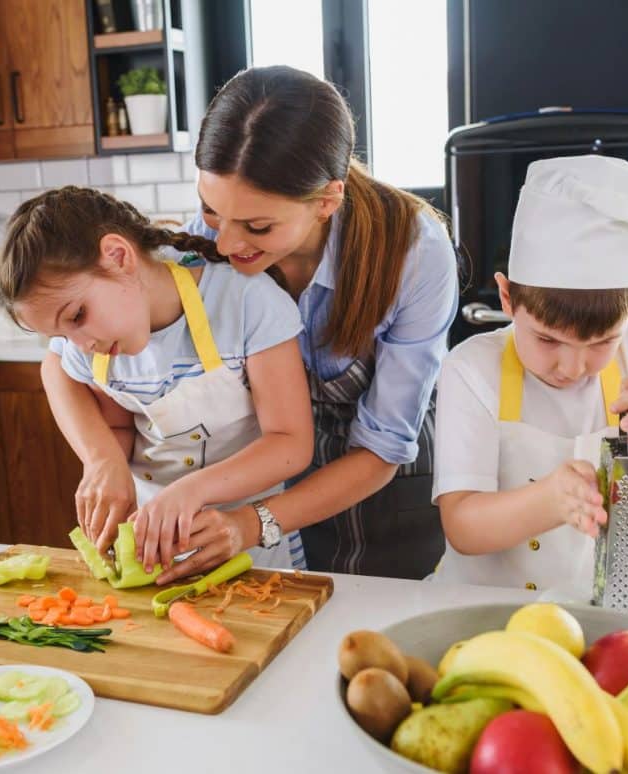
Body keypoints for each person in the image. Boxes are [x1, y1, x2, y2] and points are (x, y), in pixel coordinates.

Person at [115, 65, 460, 583]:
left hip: (387, 491)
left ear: (327, 200)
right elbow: (68, 355)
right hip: (268, 480)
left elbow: (382, 449)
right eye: (211, 210)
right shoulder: (198, 246)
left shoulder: (414, 251)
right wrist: (104, 461)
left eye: (257, 226)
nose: (225, 247)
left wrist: (250, 525)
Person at [431, 154, 628, 590]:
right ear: (507, 298)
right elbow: (462, 528)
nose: (573, 366)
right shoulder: (471, 370)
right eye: (547, 340)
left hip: (602, 625)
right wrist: (546, 501)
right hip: (484, 618)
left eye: (602, 342)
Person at [0, 185, 314, 573]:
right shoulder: (100, 345)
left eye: (77, 316)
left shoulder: (248, 302)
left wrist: (192, 490)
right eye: (61, 335)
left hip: (252, 553)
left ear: (118, 256)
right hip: (156, 556)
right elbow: (92, 402)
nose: (79, 345)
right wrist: (104, 462)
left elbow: (290, 444)